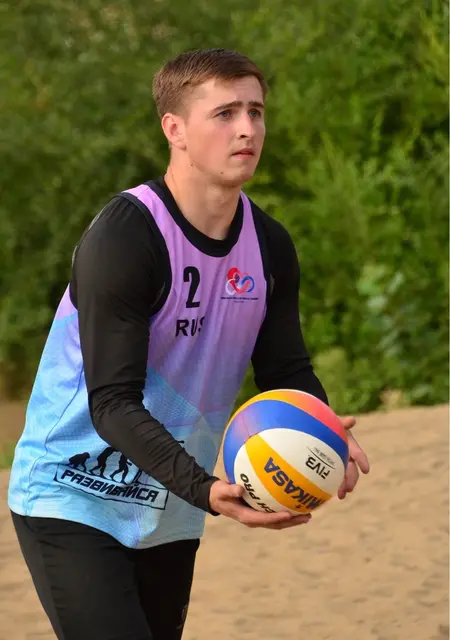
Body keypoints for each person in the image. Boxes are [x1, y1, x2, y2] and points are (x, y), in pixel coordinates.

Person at [8, 48, 370, 640]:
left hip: (170, 507)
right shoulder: (127, 237)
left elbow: (286, 369)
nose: (247, 128)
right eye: (225, 113)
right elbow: (112, 403)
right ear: (174, 129)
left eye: (256, 111)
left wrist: (324, 430)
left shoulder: (269, 246)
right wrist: (206, 488)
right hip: (72, 492)